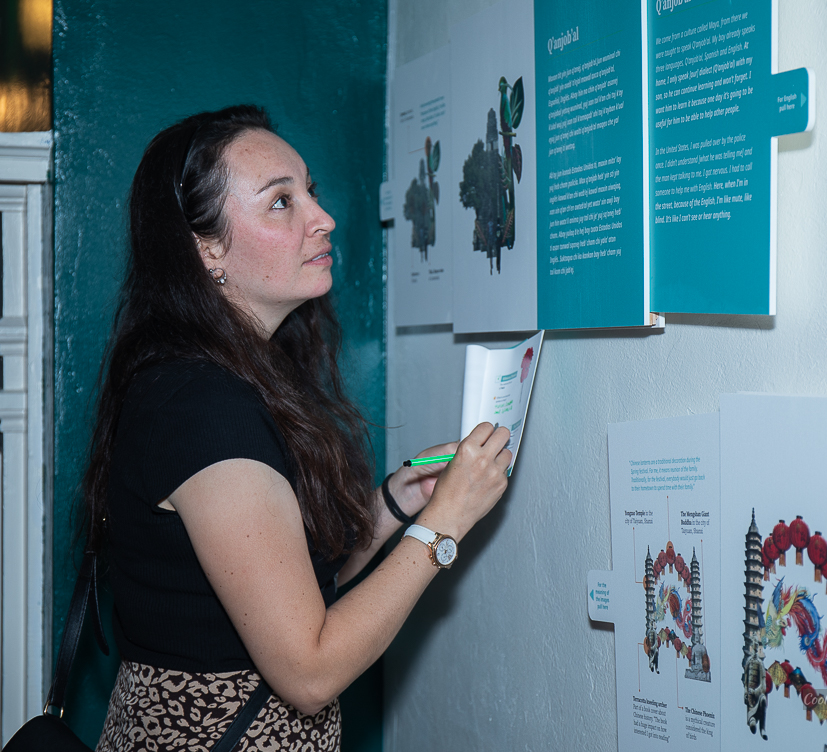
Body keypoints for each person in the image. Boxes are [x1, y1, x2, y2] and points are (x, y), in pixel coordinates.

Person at [84, 104, 512, 751]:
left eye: (308, 191)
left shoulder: (227, 376)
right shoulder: (200, 406)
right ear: (208, 250)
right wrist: (445, 525)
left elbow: (294, 579)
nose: (323, 218)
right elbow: (309, 672)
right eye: (280, 203)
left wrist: (401, 501)